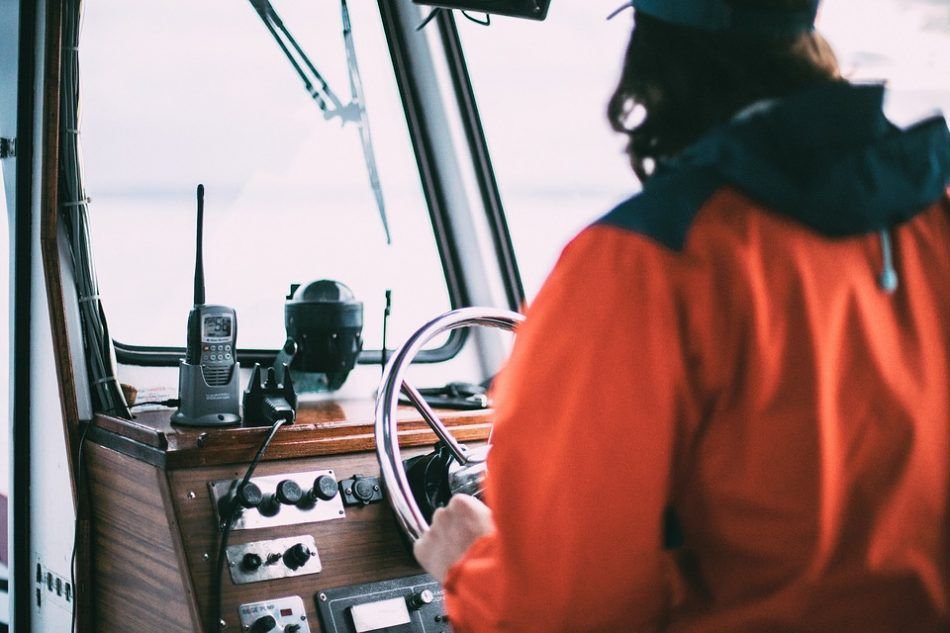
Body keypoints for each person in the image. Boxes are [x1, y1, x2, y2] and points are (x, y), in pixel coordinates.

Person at [414, 0, 950, 631]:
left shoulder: (641, 264)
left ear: (651, 62)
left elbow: (561, 610)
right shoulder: (932, 220)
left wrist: (471, 564)